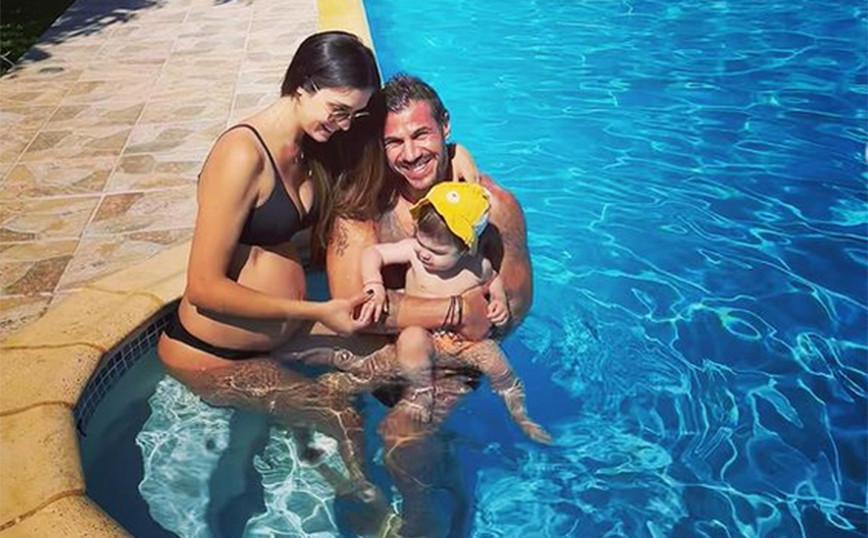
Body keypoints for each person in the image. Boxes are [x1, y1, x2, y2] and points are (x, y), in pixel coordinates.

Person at [324, 73, 535, 537]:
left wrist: (455, 343)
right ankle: (377, 488)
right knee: (322, 395)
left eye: (421, 134)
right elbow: (351, 313)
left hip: (456, 359)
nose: (410, 153)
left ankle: (422, 520)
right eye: (394, 141)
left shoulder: (492, 208)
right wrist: (458, 308)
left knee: (402, 436)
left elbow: (516, 306)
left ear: (445, 126)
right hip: (387, 354)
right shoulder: (364, 210)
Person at [354, 181, 551, 445]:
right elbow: (373, 253)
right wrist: (374, 285)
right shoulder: (414, 250)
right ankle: (421, 391)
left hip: (461, 343)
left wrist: (499, 303)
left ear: (465, 248)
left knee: (496, 360)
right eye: (422, 242)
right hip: (423, 335)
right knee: (412, 338)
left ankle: (519, 412)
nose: (425, 254)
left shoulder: (477, 266)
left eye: (437, 252)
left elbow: (494, 281)